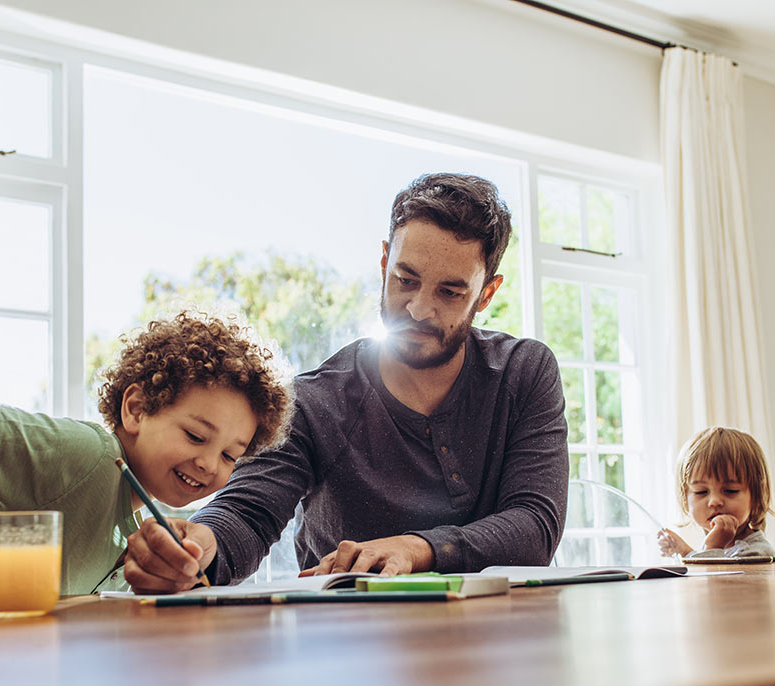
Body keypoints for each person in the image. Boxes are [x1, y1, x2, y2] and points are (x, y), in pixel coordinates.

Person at [122, 173, 569, 589]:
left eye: (449, 293)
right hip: (346, 648)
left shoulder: (523, 373)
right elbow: (247, 510)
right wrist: (198, 546)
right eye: (405, 279)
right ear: (383, 262)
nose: (417, 308)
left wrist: (415, 549)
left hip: (498, 643)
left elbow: (535, 527)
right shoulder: (316, 401)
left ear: (486, 293)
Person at [0, 311, 293, 601]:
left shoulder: (132, 525)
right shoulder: (90, 458)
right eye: (194, 435)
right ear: (135, 409)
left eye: (229, 456)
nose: (209, 464)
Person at [656, 426, 775, 559]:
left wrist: (713, 546)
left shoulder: (757, 553)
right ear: (685, 498)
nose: (714, 501)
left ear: (756, 497)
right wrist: (685, 551)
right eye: (701, 492)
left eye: (730, 490)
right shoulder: (718, 546)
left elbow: (712, 578)